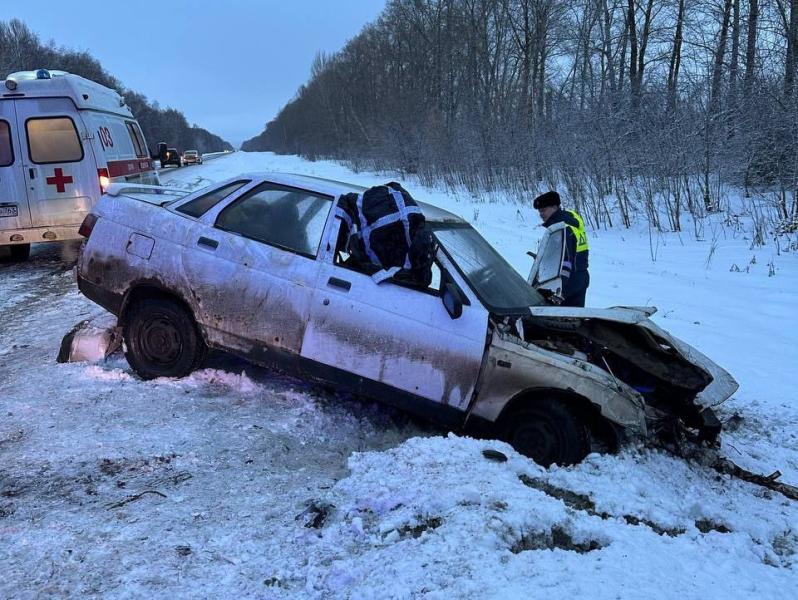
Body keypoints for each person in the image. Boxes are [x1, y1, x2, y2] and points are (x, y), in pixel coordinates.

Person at [533, 190, 590, 307]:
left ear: (554, 207)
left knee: (558, 321)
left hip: (569, 282)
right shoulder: (571, 218)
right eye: (539, 212)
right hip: (582, 276)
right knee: (575, 318)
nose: (541, 214)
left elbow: (566, 261)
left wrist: (559, 290)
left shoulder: (561, 229)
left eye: (543, 210)